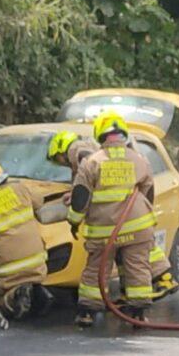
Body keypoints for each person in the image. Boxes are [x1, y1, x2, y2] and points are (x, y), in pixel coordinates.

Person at [48, 129, 177, 301]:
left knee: (137, 250)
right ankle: (132, 294)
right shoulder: (91, 147)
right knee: (134, 250)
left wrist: (76, 212)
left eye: (59, 159)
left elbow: (95, 177)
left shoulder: (78, 151)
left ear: (61, 148)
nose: (63, 163)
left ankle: (163, 277)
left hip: (115, 212)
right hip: (125, 211)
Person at [66, 112, 157, 328]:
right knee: (138, 268)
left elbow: (80, 197)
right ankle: (138, 314)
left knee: (97, 269)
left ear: (100, 135)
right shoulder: (140, 159)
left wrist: (73, 221)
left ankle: (87, 312)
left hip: (104, 231)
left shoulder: (92, 162)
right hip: (138, 228)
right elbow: (148, 191)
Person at [0, 160, 48, 320]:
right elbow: (39, 202)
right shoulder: (19, 188)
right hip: (37, 261)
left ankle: (14, 296)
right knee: (33, 274)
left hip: (8, 269)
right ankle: (36, 290)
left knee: (1, 301)